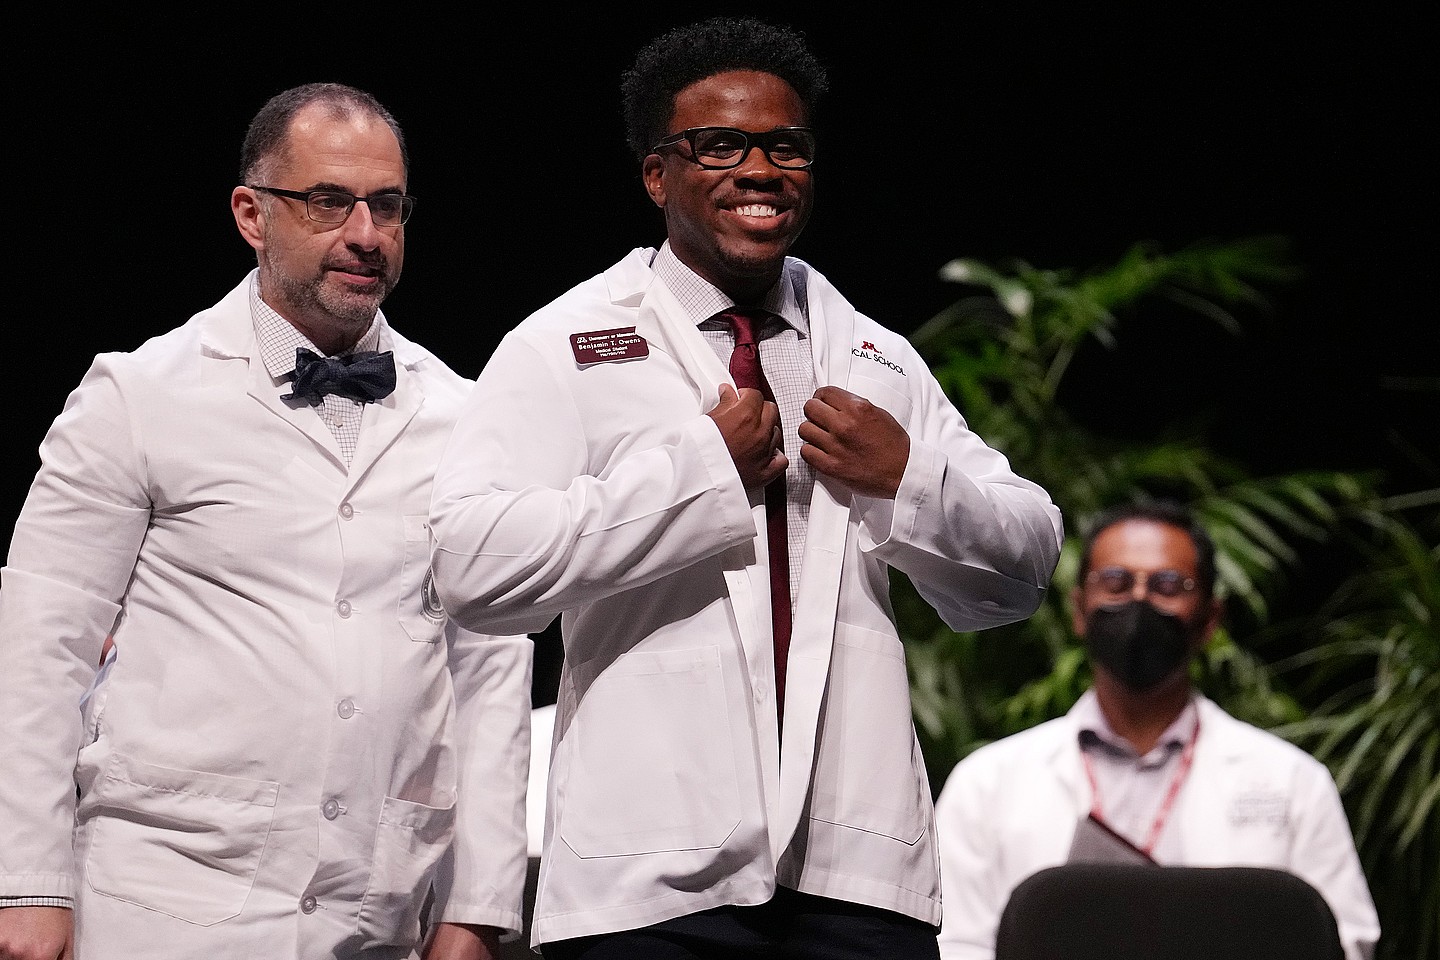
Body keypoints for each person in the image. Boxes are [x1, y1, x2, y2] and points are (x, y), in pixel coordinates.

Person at [427, 17, 1063, 960]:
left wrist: (909, 479)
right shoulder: (564, 345)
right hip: (646, 883)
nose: (759, 169)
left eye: (786, 146)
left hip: (857, 883)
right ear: (658, 175)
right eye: (720, 145)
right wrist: (694, 477)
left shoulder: (875, 355)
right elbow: (470, 566)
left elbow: (1026, 562)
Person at [0, 82, 532, 960]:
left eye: (387, 206)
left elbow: (491, 672)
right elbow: (40, 646)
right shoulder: (139, 394)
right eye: (329, 201)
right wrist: (28, 886)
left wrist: (477, 909)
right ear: (252, 214)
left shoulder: (469, 416)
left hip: (379, 909)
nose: (366, 234)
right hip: (158, 900)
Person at [932, 501, 1381, 960]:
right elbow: (955, 945)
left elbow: (1343, 941)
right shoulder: (985, 784)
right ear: (1080, 611)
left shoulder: (1293, 783)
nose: (1139, 601)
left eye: (1169, 585)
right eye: (1116, 582)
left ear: (1209, 619)